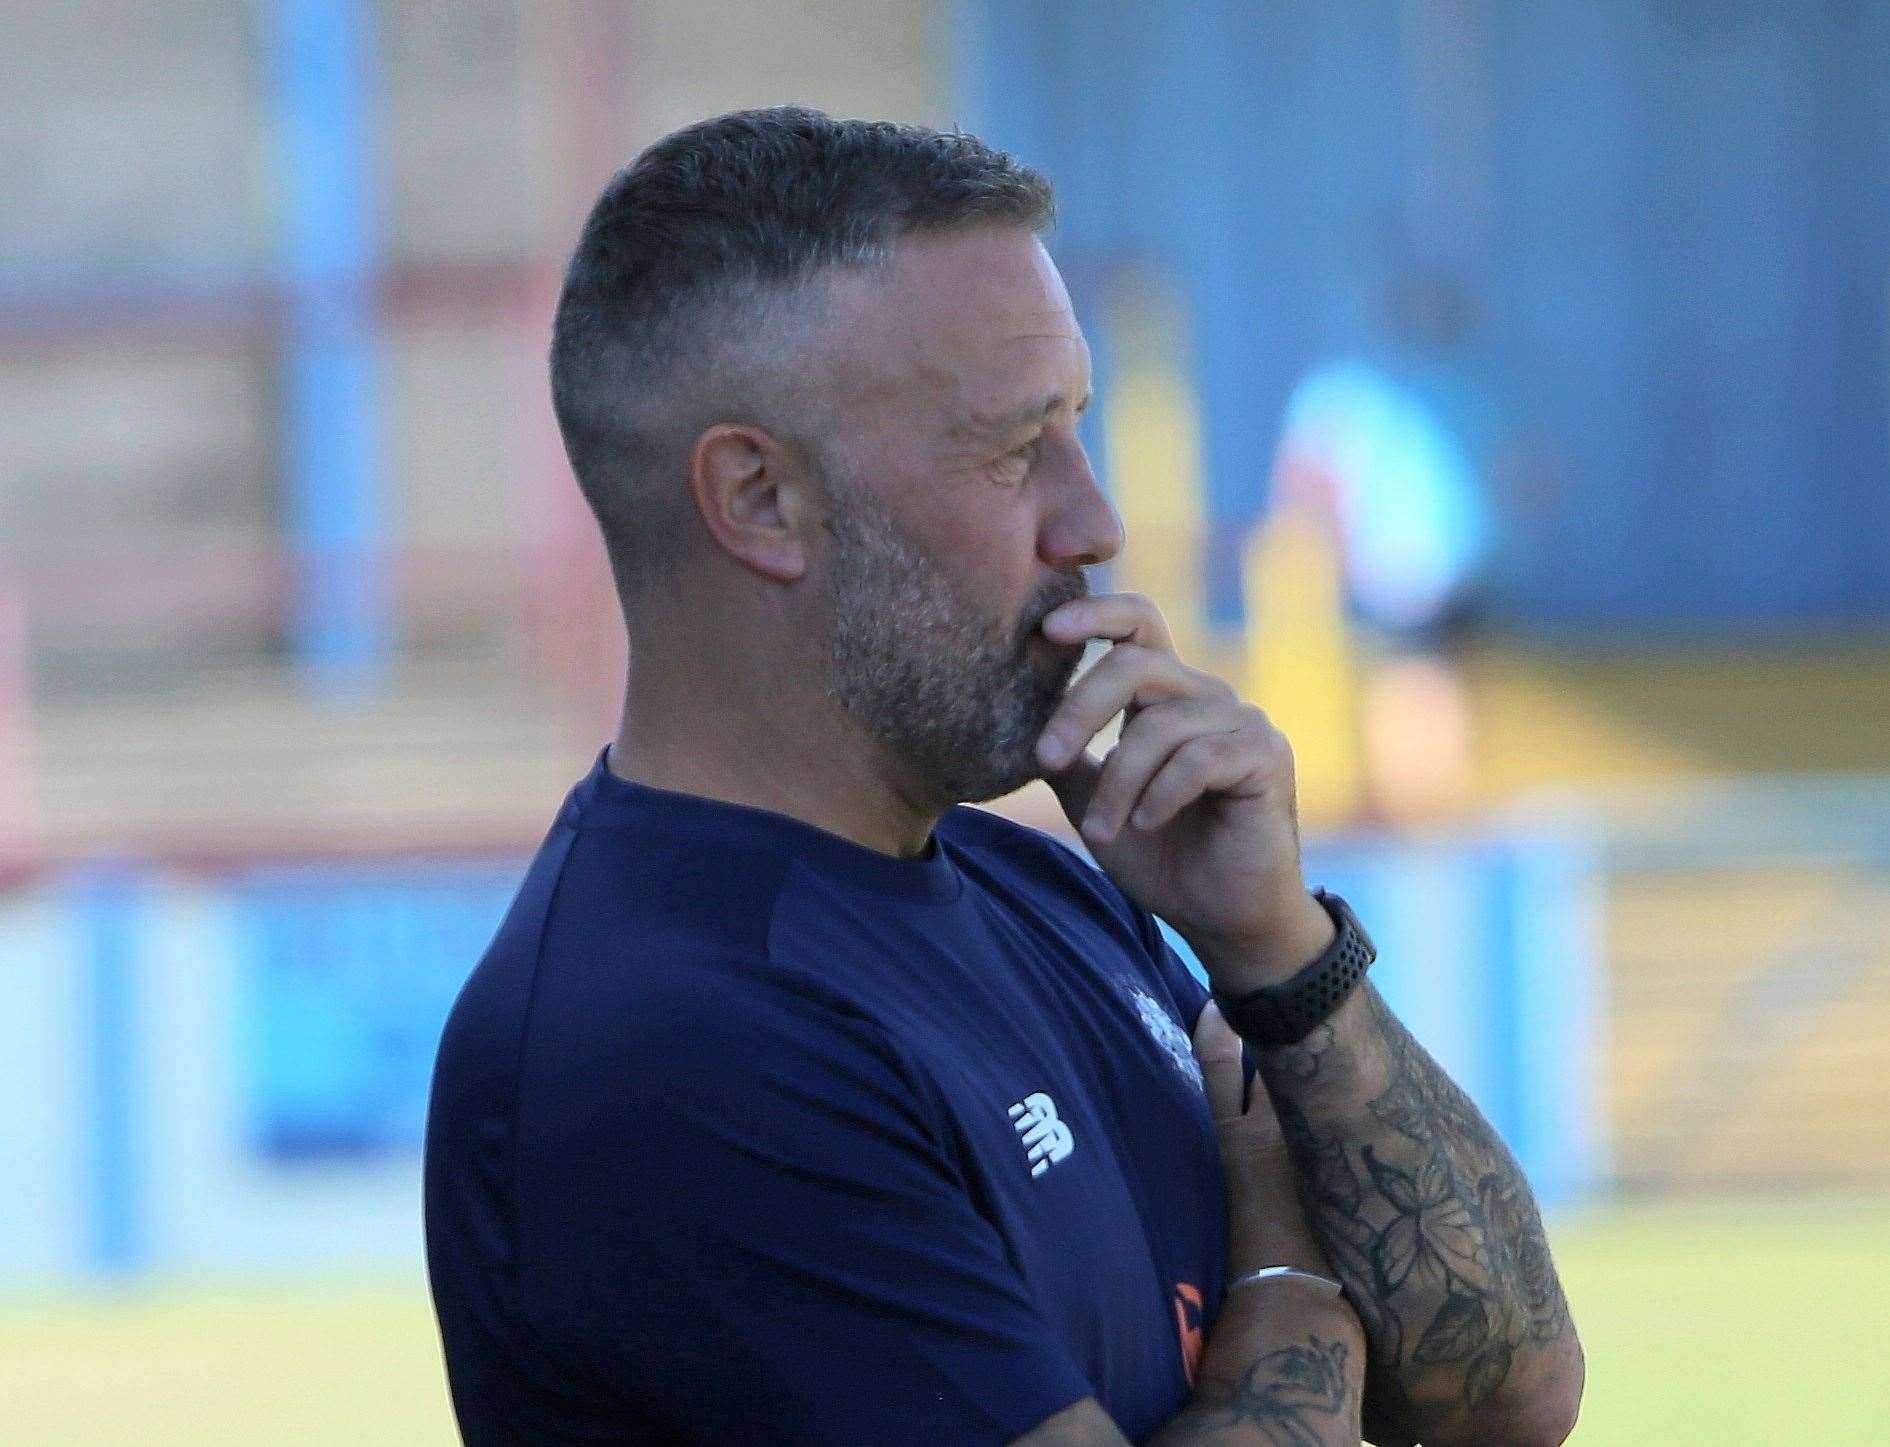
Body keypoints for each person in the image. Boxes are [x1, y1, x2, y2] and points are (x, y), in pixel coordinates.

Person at [425, 108, 1584, 1445]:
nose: (1092, 523)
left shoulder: (1043, 888)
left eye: (1077, 432)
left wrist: (1278, 954)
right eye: (1011, 448)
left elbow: (1503, 1401)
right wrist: (1285, 1270)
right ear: (757, 500)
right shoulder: (676, 1041)